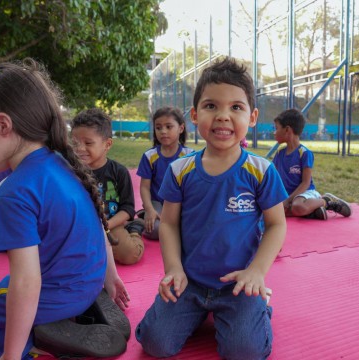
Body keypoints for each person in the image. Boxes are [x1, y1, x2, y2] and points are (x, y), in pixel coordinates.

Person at [0, 58, 130, 359]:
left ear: (3, 124)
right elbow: (98, 224)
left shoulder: (14, 191)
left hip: (55, 293)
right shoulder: (62, 161)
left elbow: (26, 282)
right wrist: (110, 276)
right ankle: (58, 326)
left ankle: (40, 346)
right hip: (89, 283)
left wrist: (10, 354)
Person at [136, 57, 288, 359]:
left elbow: (277, 225)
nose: (222, 116)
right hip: (189, 283)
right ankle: (193, 313)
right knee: (155, 343)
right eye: (211, 106)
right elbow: (168, 224)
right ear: (194, 115)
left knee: (244, 351)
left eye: (236, 107)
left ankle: (258, 310)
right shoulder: (180, 170)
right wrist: (173, 270)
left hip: (238, 285)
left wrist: (257, 272)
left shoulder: (261, 170)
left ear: (253, 116)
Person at [71, 108, 145, 265]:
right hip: (79, 227)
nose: (79, 149)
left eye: (88, 143)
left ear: (107, 144)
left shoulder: (119, 172)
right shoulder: (69, 172)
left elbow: (128, 209)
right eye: (75, 143)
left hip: (111, 225)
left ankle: (134, 230)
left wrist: (105, 226)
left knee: (129, 254)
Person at [272, 108, 352, 220]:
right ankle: (312, 211)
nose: (274, 132)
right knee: (272, 210)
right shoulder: (280, 152)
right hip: (289, 196)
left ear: (287, 130)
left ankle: (327, 201)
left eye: (276, 128)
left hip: (305, 193)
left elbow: (305, 183)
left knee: (297, 206)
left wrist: (288, 200)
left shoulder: (304, 153)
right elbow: (272, 176)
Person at [136, 106, 194, 240]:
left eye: (169, 127)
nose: (163, 131)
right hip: (157, 203)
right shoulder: (149, 156)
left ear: (181, 128)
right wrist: (150, 209)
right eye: (158, 127)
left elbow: (194, 187)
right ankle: (141, 220)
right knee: (156, 230)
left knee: (193, 228)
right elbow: (144, 187)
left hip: (181, 203)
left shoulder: (189, 156)